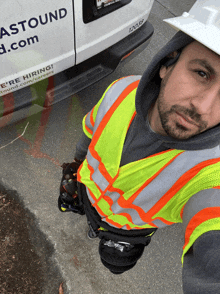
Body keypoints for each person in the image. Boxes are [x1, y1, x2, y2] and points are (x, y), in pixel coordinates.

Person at [58, 1, 220, 293]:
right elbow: (91, 128)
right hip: (87, 194)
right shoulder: (122, 90)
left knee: (114, 265)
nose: (204, 108)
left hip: (126, 234)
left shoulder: (211, 171)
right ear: (167, 63)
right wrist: (77, 162)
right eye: (201, 73)